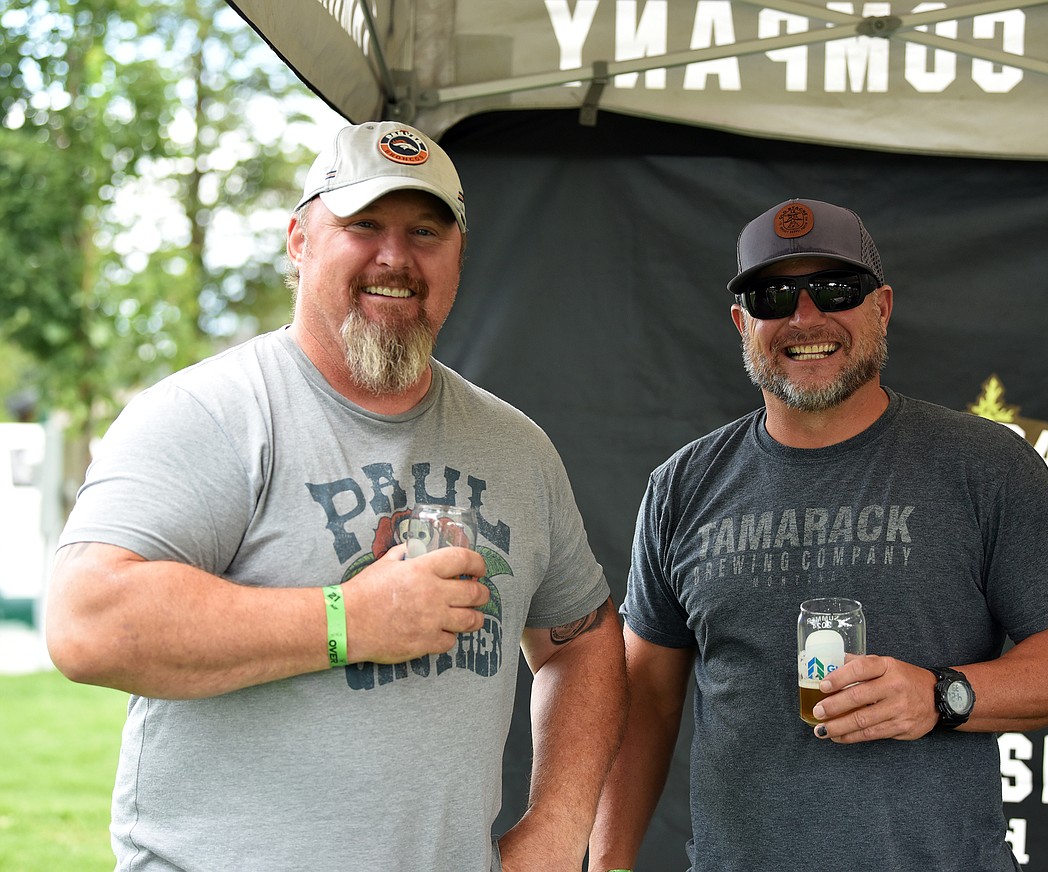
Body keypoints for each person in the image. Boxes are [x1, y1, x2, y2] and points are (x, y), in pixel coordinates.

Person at [46, 121, 627, 872]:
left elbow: (579, 638)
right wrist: (351, 620)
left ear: (458, 256)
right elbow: (86, 620)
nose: (396, 256)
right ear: (298, 240)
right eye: (363, 225)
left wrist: (557, 829)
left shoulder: (516, 448)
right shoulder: (214, 414)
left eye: (426, 230)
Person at [587, 198, 1048, 872]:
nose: (806, 317)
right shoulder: (681, 486)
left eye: (836, 290)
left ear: (882, 307)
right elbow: (645, 705)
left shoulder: (983, 466)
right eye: (773, 296)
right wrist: (605, 865)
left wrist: (938, 695)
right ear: (742, 322)